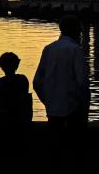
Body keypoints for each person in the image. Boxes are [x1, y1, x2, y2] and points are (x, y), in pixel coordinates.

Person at [33, 15, 89, 173]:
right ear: (76, 31)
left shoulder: (48, 49)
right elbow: (83, 82)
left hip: (53, 109)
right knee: (74, 153)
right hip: (74, 109)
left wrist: (48, 102)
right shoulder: (76, 50)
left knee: (54, 152)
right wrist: (82, 104)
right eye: (79, 30)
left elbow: (37, 82)